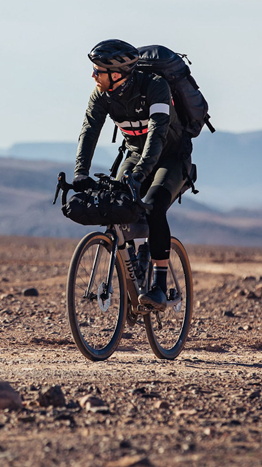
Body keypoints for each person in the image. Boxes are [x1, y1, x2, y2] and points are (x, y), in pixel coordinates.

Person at [73, 39, 192, 310]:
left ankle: (160, 287)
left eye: (98, 71)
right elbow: (90, 129)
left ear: (116, 75)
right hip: (136, 156)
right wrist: (81, 171)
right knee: (116, 203)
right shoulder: (101, 94)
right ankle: (135, 265)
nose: (93, 76)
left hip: (171, 158)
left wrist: (140, 174)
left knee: (154, 206)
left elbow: (157, 135)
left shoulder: (155, 86)